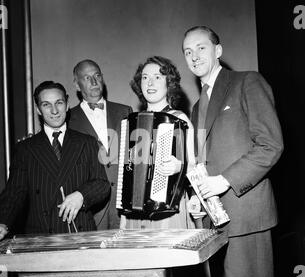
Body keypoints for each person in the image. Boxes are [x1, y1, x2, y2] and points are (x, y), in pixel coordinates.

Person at [182, 26, 284, 277]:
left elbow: (271, 145)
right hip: (214, 222)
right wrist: (197, 194)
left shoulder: (247, 82)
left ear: (218, 51)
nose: (194, 56)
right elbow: (203, 161)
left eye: (201, 48)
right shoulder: (196, 106)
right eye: (187, 51)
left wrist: (223, 181)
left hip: (246, 217)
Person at [0, 81, 110, 240]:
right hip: (41, 236)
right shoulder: (25, 148)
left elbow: (102, 184)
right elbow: (14, 193)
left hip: (80, 233)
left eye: (59, 103)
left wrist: (81, 195)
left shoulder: (86, 142)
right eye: (46, 105)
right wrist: (2, 221)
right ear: (38, 109)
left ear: (67, 105)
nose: (54, 110)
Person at [120, 56, 197, 229]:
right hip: (134, 215)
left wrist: (179, 167)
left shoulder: (179, 119)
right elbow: (127, 174)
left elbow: (194, 167)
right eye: (145, 78)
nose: (150, 83)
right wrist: (124, 216)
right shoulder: (131, 123)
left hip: (167, 213)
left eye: (157, 77)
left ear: (169, 83)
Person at [69, 59, 132, 230]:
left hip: (124, 209)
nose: (94, 82)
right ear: (76, 84)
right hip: (91, 211)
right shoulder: (68, 120)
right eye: (87, 78)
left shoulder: (125, 111)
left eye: (97, 76)